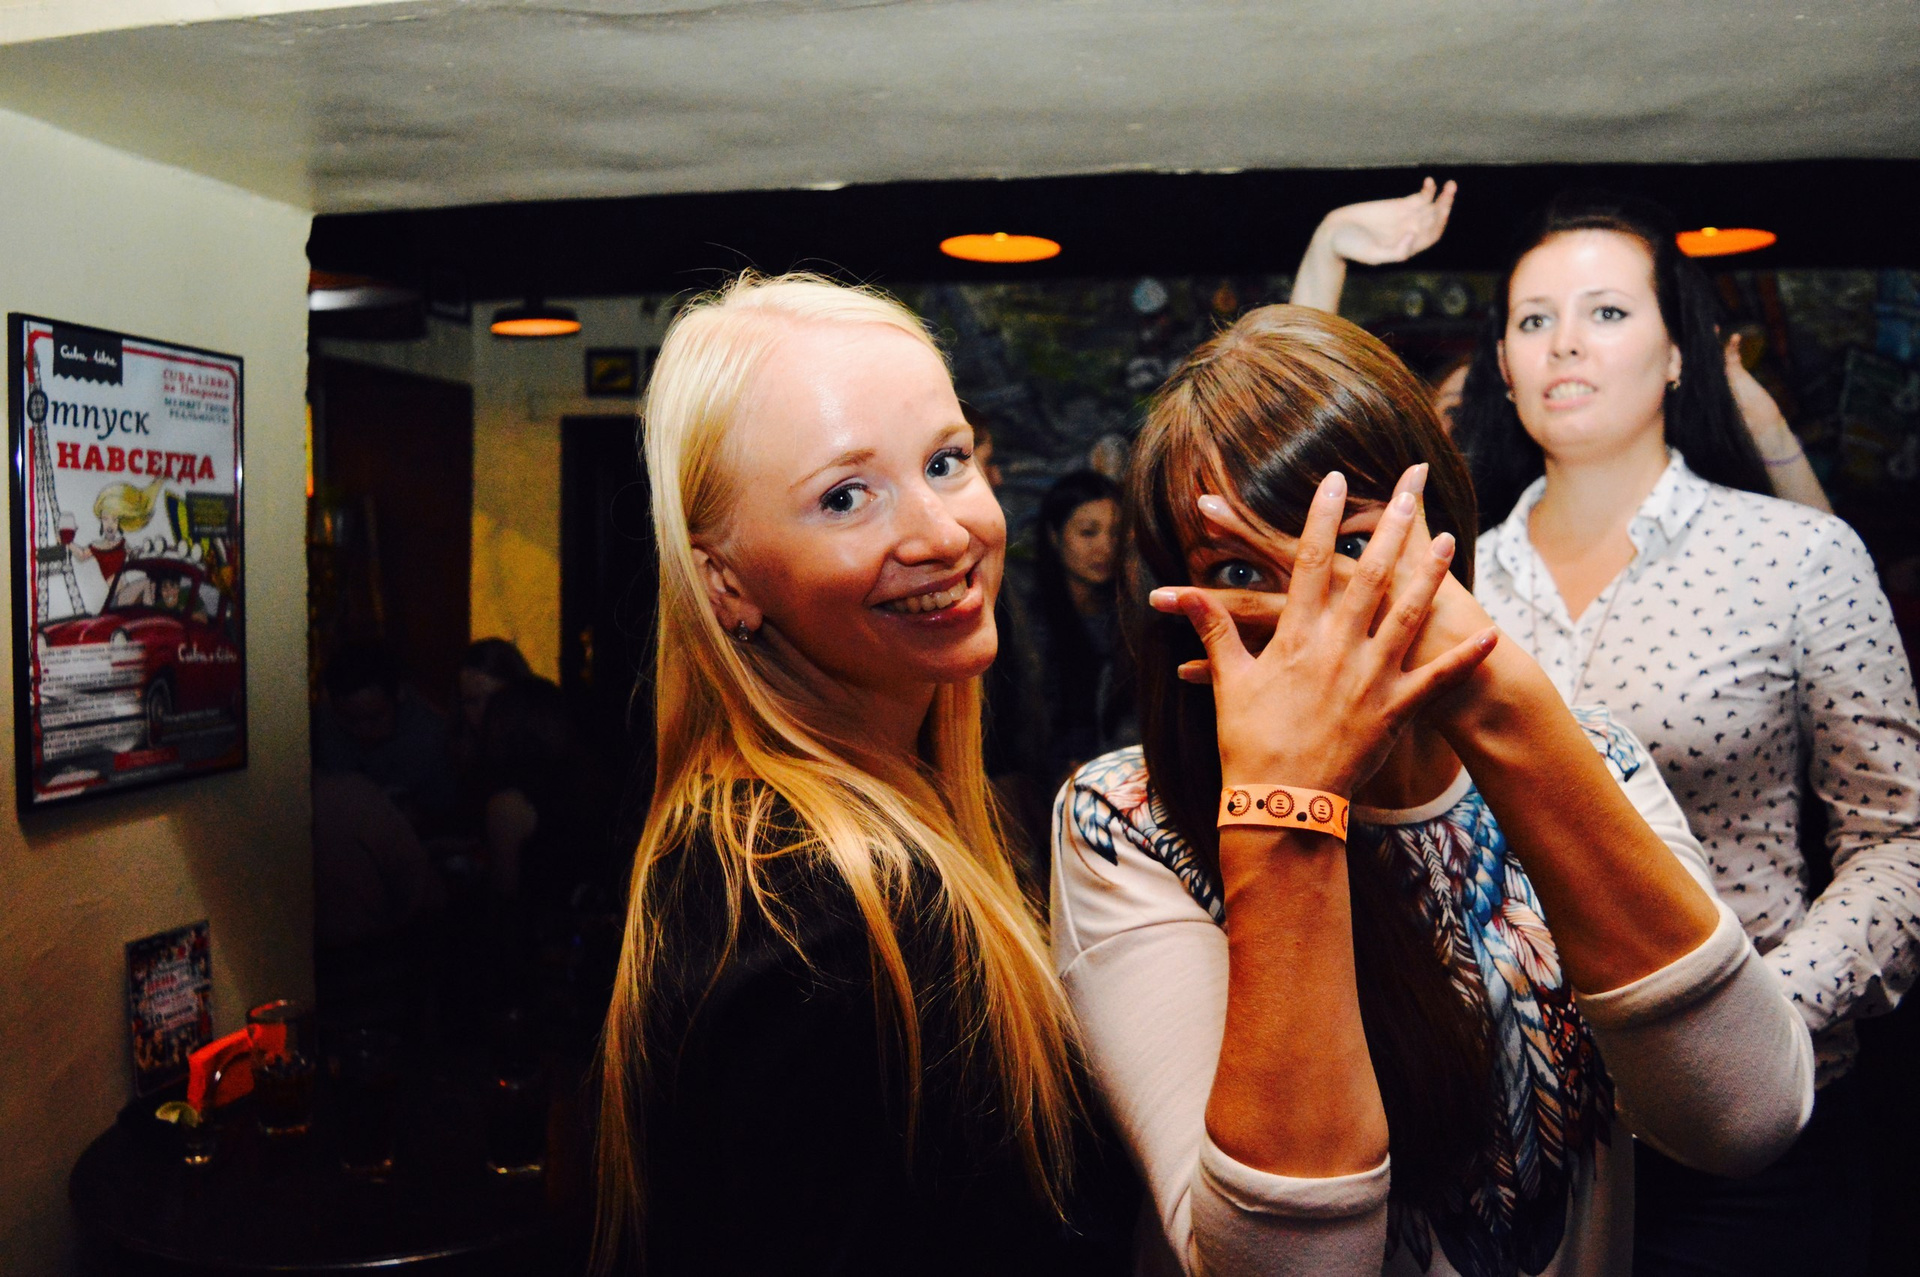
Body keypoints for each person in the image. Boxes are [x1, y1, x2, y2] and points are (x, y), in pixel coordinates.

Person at [1052, 304, 1814, 1276]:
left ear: (1441, 542)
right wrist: (1286, 801)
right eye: (1241, 570)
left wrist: (1505, 704)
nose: (1313, 615)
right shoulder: (1127, 822)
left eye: (1354, 547)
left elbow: (1746, 1115)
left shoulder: (1591, 755)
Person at [593, 274, 1131, 1275]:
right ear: (725, 582)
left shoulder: (832, 825)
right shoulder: (819, 914)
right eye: (845, 496)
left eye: (945, 461)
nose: (943, 532)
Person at [1451, 194, 1920, 1274]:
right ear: (1505, 368)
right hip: (1511, 1143)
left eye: (1607, 311)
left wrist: (1757, 1017)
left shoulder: (1796, 555)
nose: (1565, 341)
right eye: (1534, 320)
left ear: (1677, 356)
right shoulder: (1454, 579)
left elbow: (1898, 840)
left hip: (1742, 1143)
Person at [1030, 471, 1132, 786]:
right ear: (1054, 535)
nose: (1105, 547)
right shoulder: (1030, 622)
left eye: (1115, 533)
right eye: (1088, 532)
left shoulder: (1128, 616)